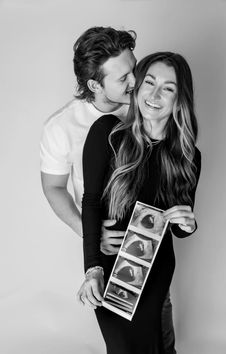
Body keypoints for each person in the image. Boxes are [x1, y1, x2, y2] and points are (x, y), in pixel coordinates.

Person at [40, 26, 176, 353]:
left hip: (151, 237)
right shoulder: (61, 127)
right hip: (105, 242)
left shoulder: (147, 105)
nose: (136, 82)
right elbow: (54, 187)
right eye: (123, 78)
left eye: (135, 68)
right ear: (94, 85)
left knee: (160, 320)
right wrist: (90, 233)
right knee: (123, 340)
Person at [79, 52, 201, 354]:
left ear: (179, 98)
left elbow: (179, 230)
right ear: (138, 87)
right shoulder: (107, 133)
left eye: (168, 88)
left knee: (160, 348)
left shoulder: (188, 157)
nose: (155, 95)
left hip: (156, 275)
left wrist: (189, 223)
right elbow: (91, 202)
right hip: (110, 273)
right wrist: (92, 269)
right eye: (149, 82)